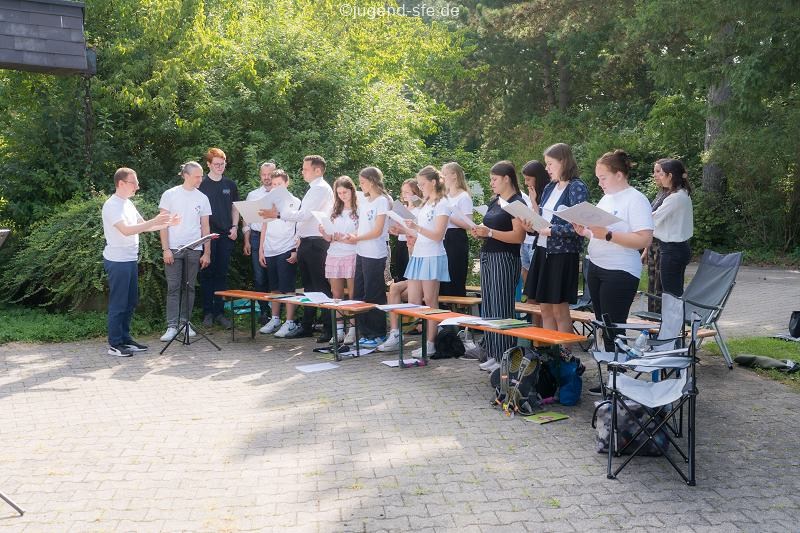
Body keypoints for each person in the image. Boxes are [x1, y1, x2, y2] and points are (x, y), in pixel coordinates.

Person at [573, 149, 653, 352]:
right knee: (603, 326)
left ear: (619, 175)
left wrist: (608, 234)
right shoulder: (606, 199)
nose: (600, 183)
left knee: (613, 329)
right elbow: (600, 234)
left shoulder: (636, 199)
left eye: (603, 178)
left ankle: (617, 370)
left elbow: (644, 239)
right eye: (598, 178)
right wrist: (585, 232)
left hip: (620, 271)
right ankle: (610, 369)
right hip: (596, 267)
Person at [101, 168, 179, 357]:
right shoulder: (111, 205)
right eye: (133, 183)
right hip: (117, 261)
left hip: (130, 259)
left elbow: (144, 226)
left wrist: (168, 223)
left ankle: (125, 339)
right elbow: (126, 230)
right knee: (119, 303)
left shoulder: (128, 203)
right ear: (121, 183)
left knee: (130, 302)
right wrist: (154, 221)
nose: (137, 186)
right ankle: (115, 344)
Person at [259, 155, 334, 342]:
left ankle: (329, 327)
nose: (302, 172)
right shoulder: (313, 189)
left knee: (320, 286)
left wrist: (278, 214)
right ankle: (307, 325)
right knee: (309, 287)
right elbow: (303, 218)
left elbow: (304, 215)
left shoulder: (320, 188)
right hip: (307, 241)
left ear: (318, 170)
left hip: (317, 242)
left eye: (306, 169)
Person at [380, 166, 451, 355]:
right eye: (418, 184)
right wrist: (402, 230)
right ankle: (424, 338)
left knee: (430, 301)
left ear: (433, 182)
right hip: (419, 254)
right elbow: (418, 232)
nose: (420, 187)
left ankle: (430, 343)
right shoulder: (426, 204)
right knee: (414, 301)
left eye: (422, 184)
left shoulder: (443, 203)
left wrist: (416, 228)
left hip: (432, 255)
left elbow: (437, 235)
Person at [523, 144, 589, 334]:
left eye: (550, 164)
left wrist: (552, 231)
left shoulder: (576, 187)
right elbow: (543, 220)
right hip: (542, 250)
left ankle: (564, 351)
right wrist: (532, 227)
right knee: (544, 308)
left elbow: (579, 226)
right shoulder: (550, 187)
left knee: (559, 309)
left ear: (563, 162)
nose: (547, 168)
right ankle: (550, 349)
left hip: (562, 254)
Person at [468, 161, 526, 369]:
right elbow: (489, 225)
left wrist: (490, 233)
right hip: (488, 255)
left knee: (502, 307)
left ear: (506, 179)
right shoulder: (496, 201)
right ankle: (493, 352)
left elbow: (518, 236)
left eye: (494, 179)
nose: (491, 183)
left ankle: (505, 357)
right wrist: (480, 231)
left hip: (505, 257)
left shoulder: (517, 203)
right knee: (490, 306)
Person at [158, 162, 212, 342]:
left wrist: (207, 252)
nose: (200, 179)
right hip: (173, 248)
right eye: (197, 176)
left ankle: (185, 323)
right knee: (173, 287)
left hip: (195, 249)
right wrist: (166, 249)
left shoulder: (203, 198)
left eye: (201, 176)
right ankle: (172, 326)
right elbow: (163, 223)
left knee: (189, 287)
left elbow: (205, 227)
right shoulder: (170, 194)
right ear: (186, 176)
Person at [342, 166, 390, 347]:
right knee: (359, 293)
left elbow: (377, 231)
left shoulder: (382, 201)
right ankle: (365, 333)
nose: (360, 185)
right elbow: (362, 227)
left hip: (375, 254)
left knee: (374, 293)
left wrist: (357, 238)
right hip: (361, 252)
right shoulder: (365, 201)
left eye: (362, 182)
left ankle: (378, 333)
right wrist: (352, 236)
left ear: (372, 181)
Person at [198, 147, 239, 329]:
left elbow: (235, 207)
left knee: (221, 274)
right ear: (208, 164)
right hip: (206, 236)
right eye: (216, 164)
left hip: (225, 236)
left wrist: (235, 227)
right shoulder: (201, 184)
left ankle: (220, 313)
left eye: (222, 164)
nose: (220, 167)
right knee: (206, 274)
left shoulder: (230, 185)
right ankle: (207, 313)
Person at [258, 169, 302, 337]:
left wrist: (295, 250)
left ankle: (289, 322)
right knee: (274, 288)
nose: (276, 187)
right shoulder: (267, 201)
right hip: (270, 249)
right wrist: (261, 249)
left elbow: (299, 227)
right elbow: (264, 226)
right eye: (274, 184)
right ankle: (275, 319)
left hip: (286, 248)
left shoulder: (295, 202)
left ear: (287, 183)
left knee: (288, 288)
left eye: (279, 184)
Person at [320, 176, 360, 344]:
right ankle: (338, 330)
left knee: (353, 294)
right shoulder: (333, 210)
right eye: (339, 193)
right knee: (336, 295)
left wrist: (344, 237)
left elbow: (360, 236)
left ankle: (353, 329)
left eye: (345, 192)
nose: (342, 196)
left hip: (352, 254)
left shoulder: (359, 210)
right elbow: (329, 237)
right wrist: (324, 232)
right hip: (334, 254)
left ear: (352, 190)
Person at [650, 158, 693, 298]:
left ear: (670, 176)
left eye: (661, 174)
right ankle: (678, 313)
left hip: (672, 250)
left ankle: (675, 314)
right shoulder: (683, 193)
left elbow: (652, 220)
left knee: (671, 294)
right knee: (676, 292)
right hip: (679, 248)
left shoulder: (674, 198)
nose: (658, 177)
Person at [242, 160, 276, 324]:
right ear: (260, 176)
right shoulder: (253, 195)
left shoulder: (282, 195)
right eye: (264, 174)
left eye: (270, 174)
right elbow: (246, 220)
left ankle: (277, 314)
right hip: (256, 237)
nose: (267, 177)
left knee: (275, 276)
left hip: (277, 238)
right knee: (259, 277)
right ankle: (264, 312)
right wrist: (246, 241)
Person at [642, 161, 671, 313]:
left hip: (664, 247)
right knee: (652, 286)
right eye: (654, 171)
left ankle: (659, 320)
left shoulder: (672, 196)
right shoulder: (660, 193)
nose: (655, 175)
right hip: (653, 246)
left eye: (658, 171)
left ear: (668, 174)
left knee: (660, 287)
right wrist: (646, 249)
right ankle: (651, 318)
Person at [440, 162, 473, 297]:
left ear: (454, 175)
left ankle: (456, 306)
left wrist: (448, 216)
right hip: (443, 236)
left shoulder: (463, 196)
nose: (442, 178)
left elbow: (469, 224)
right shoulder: (444, 196)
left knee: (454, 274)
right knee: (442, 277)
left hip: (456, 238)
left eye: (444, 174)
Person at [519, 160, 551, 288]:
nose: (526, 183)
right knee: (526, 272)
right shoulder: (533, 193)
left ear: (538, 178)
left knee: (536, 280)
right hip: (529, 240)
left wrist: (533, 201)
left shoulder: (547, 193)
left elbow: (541, 220)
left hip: (541, 243)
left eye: (528, 179)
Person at [390, 179, 422, 282]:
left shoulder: (420, 209)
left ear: (415, 192)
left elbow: (419, 229)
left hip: (413, 244)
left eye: (407, 192)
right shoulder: (402, 207)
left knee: (411, 276)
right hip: (400, 243)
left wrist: (403, 229)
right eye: (402, 191)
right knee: (401, 273)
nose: (404, 194)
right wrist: (393, 228)